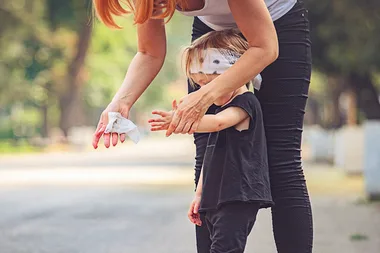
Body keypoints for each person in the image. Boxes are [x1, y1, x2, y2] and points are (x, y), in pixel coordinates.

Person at [92, 0, 313, 252]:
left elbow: (265, 47)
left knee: (281, 160)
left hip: (275, 25)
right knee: (209, 152)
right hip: (213, 32)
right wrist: (121, 101)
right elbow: (149, 52)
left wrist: (205, 96)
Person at [148, 30, 274, 252]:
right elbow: (209, 157)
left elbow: (217, 122)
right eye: (200, 85)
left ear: (234, 74)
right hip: (214, 198)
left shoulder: (246, 103)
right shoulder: (220, 107)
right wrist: (199, 195)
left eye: (209, 83)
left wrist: (181, 120)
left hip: (237, 198)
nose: (206, 91)